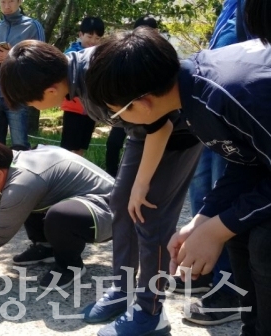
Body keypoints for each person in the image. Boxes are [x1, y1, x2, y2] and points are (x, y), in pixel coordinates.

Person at [0, 40, 202, 336]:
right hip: (142, 131)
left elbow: (161, 126)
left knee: (150, 214)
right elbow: (141, 126)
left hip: (176, 133)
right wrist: (131, 189)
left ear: (50, 91)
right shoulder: (75, 77)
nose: (33, 108)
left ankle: (151, 312)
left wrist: (141, 185)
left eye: (32, 102)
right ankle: (123, 289)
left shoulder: (95, 80)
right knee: (121, 204)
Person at [85, 27, 271, 335]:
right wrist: (205, 219)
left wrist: (216, 230)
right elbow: (247, 162)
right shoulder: (192, 94)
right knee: (237, 232)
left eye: (116, 116)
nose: (120, 123)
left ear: (141, 103)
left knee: (264, 243)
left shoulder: (223, 97)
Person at [0, 139, 114, 289]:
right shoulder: (13, 165)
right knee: (22, 206)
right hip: (90, 207)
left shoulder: (22, 184)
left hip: (111, 213)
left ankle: (70, 266)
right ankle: (46, 247)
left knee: (58, 216)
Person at [177, 0, 252, 326]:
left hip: (242, 105)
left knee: (233, 180)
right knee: (205, 181)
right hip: (213, 106)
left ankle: (232, 283)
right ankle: (207, 267)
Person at [0, 0, 45, 149]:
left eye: (10, 1)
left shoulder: (32, 26)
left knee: (20, 145)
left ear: (20, 2)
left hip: (17, 95)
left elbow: (41, 61)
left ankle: (22, 172)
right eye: (3, 1)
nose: (7, 5)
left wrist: (11, 58)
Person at [104, 15, 158, 177]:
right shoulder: (127, 51)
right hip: (125, 106)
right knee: (113, 143)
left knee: (141, 145)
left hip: (149, 110)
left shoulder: (159, 55)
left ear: (156, 32)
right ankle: (110, 176)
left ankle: (140, 178)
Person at [59, 16, 104, 156]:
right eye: (89, 36)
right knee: (68, 147)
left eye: (97, 38)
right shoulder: (71, 54)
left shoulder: (100, 55)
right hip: (73, 107)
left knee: (82, 146)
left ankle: (77, 172)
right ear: (81, 35)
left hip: (91, 109)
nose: (93, 41)